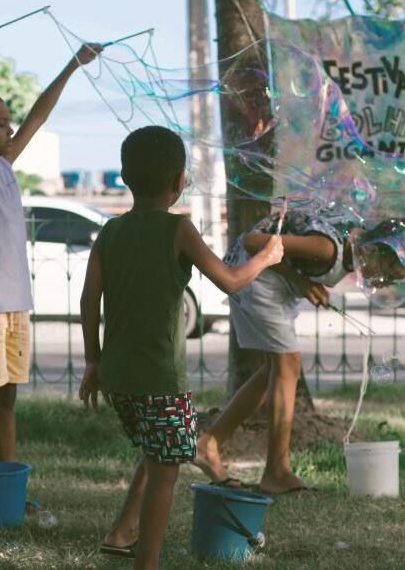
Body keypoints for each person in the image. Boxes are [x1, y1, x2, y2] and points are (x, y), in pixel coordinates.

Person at [79, 126, 283, 569]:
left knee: (159, 450)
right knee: (165, 471)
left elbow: (88, 299)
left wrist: (93, 361)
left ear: (125, 177)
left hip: (119, 377)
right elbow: (230, 281)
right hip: (160, 380)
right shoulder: (178, 228)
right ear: (179, 181)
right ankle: (146, 563)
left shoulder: (110, 232)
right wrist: (266, 258)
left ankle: (121, 532)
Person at [0, 32, 101, 478]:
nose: (10, 129)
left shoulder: (5, 165)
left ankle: (7, 483)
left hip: (15, 305)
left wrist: (72, 65)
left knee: (7, 398)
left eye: (8, 123)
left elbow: (38, 115)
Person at [194, 207, 405, 495]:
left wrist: (302, 281)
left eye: (392, 281)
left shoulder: (347, 249)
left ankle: (209, 442)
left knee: (273, 373)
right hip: (257, 282)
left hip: (272, 286)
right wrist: (301, 282)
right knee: (288, 363)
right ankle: (276, 470)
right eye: (388, 274)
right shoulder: (328, 249)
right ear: (377, 251)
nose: (383, 283)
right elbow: (252, 243)